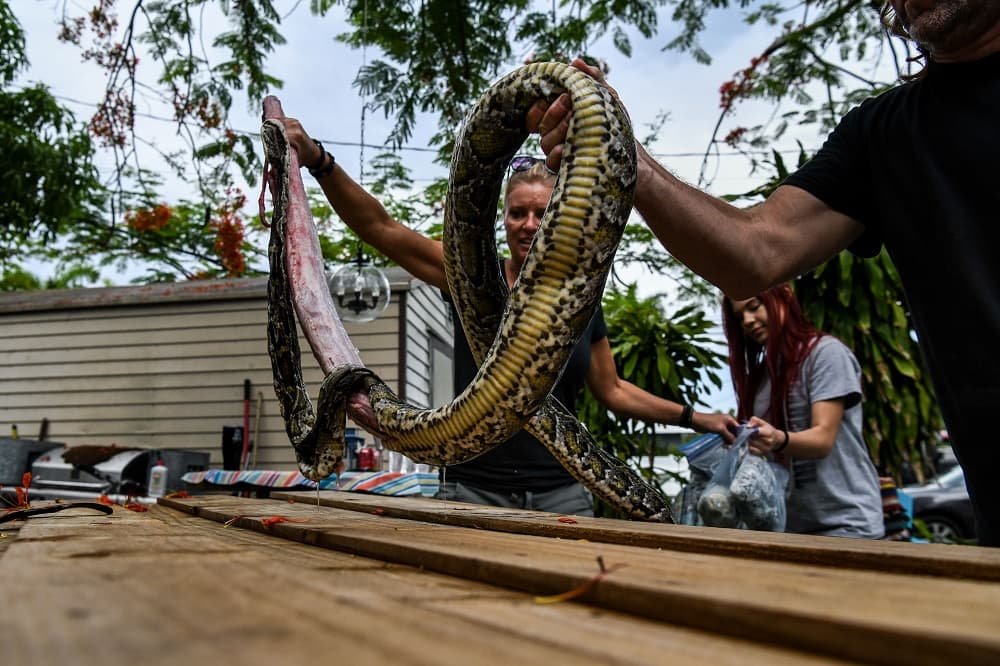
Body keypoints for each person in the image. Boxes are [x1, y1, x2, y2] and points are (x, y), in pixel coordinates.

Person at [529, 1, 1000, 545]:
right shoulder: (885, 133)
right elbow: (755, 254)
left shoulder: (827, 356)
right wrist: (620, 149)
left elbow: (822, 438)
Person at [277, 118, 739, 516]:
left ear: (561, 216)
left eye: (542, 213)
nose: (529, 225)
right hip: (472, 489)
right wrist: (319, 160)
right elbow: (383, 229)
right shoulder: (467, 274)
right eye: (518, 213)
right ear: (504, 218)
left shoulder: (581, 299)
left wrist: (700, 418)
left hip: (564, 493)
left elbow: (613, 390)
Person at [723, 284, 884, 538]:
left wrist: (776, 439)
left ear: (783, 298)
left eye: (754, 307)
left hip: (846, 522)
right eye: (739, 317)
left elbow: (823, 439)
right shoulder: (761, 377)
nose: (748, 321)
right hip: (788, 524)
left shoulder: (825, 354)